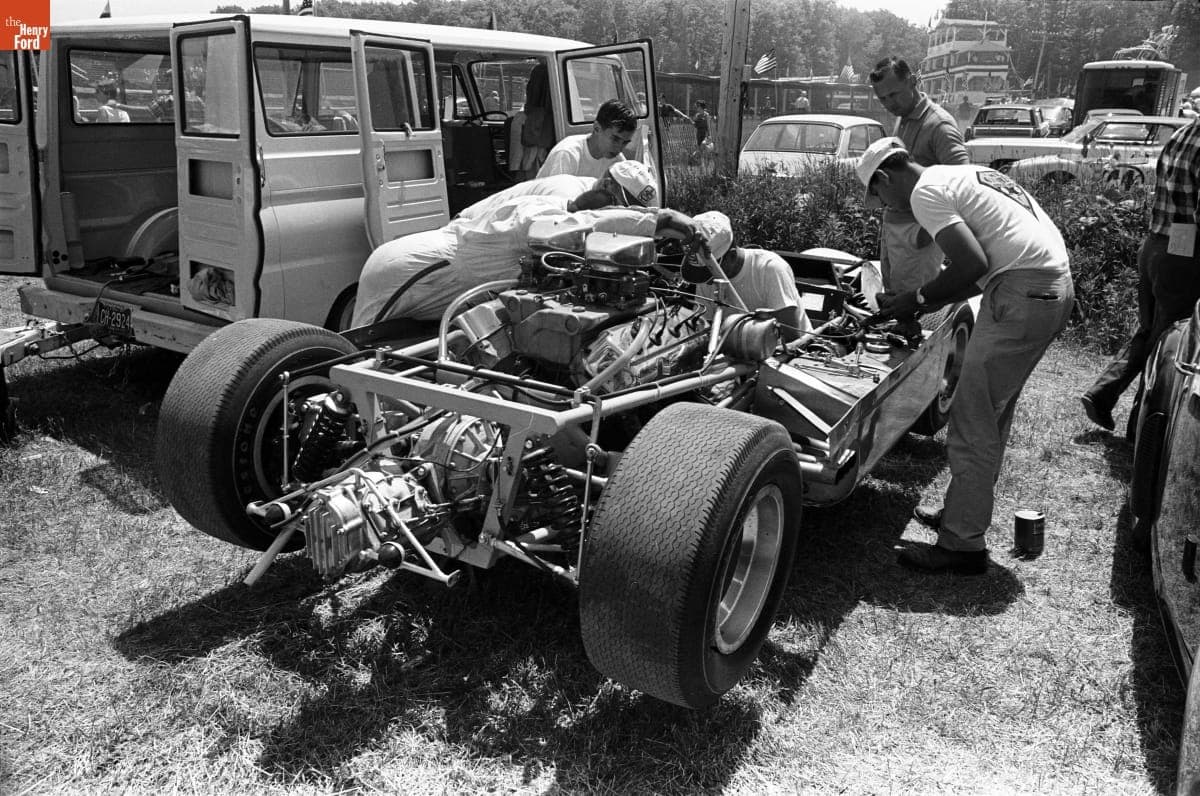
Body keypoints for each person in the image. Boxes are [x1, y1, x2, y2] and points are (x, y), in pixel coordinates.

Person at [859, 137, 1074, 575]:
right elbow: (978, 272)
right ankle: (963, 516)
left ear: (883, 178)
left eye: (878, 195)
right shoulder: (956, 176)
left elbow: (972, 262)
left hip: (1023, 291)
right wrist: (923, 304)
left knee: (972, 416)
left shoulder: (924, 195)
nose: (884, 204)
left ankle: (961, 546)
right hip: (1048, 286)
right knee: (990, 414)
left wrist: (915, 296)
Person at [352, 161, 659, 326]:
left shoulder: (579, 192)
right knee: (357, 361)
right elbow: (571, 224)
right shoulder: (562, 200)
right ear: (606, 185)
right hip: (418, 267)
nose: (615, 213)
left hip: (459, 264)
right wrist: (658, 222)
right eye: (619, 206)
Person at [1082, 118, 1200, 432]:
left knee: (1151, 330)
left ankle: (1102, 394)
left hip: (1156, 241)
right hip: (1182, 251)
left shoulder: (1183, 133)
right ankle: (1143, 425)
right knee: (1169, 340)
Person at [868, 57, 969, 318]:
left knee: (913, 305)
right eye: (883, 99)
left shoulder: (939, 125)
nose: (890, 104)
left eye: (894, 94)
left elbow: (963, 182)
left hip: (919, 232)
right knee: (893, 295)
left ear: (912, 81)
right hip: (898, 225)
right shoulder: (904, 117)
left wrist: (929, 232)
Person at [685, 211, 810, 341]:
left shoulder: (770, 268)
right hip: (736, 350)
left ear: (732, 255)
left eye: (710, 269)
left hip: (788, 353)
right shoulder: (707, 278)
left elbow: (791, 336)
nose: (709, 280)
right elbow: (705, 330)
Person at [535, 99, 637, 179]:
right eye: (615, 139)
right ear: (597, 128)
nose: (619, 148)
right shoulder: (567, 154)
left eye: (625, 143)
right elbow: (558, 201)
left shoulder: (617, 160)